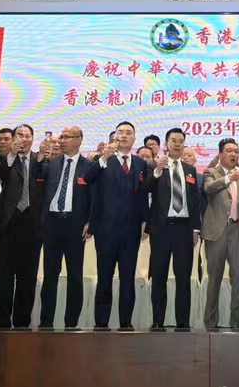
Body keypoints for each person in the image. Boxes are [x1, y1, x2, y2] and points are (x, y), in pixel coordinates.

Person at [38, 125, 99, 329]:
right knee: (50, 276)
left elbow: (94, 197)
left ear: (79, 140)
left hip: (76, 225)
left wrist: (90, 222)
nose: (62, 140)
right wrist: (40, 156)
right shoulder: (52, 163)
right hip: (52, 223)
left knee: (75, 276)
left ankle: (71, 323)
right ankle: (46, 322)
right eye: (61, 137)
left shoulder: (89, 166)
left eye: (67, 137)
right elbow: (37, 182)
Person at [92, 121, 149, 330]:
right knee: (104, 278)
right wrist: (103, 158)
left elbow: (143, 195)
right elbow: (88, 178)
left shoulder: (140, 163)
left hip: (131, 231)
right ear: (114, 136)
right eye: (120, 132)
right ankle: (101, 323)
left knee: (127, 279)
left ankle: (126, 323)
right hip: (106, 230)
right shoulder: (103, 160)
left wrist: (145, 221)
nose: (124, 136)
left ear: (134, 138)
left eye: (128, 133)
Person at [145, 127, 201, 329]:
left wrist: (196, 229)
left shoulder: (190, 170)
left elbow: (194, 202)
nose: (177, 144)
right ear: (166, 144)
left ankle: (183, 323)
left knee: (183, 279)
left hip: (184, 230)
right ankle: (157, 321)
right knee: (159, 277)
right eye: (173, 140)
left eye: (180, 141)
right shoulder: (155, 166)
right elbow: (145, 189)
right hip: (161, 229)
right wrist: (157, 172)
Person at [0, 129, 44, 329]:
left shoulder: (41, 161)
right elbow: (1, 174)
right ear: (14, 139)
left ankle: (22, 321)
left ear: (33, 139)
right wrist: (12, 154)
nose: (24, 139)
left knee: (27, 276)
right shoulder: (4, 159)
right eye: (20, 135)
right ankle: (1, 320)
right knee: (4, 275)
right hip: (8, 223)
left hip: (32, 224)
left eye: (27, 136)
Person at [203, 139, 239, 330]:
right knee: (214, 279)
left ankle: (236, 323)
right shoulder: (211, 172)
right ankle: (210, 324)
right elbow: (208, 188)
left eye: (236, 151)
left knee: (238, 281)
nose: (233, 154)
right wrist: (229, 178)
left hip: (238, 232)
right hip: (217, 232)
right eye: (229, 151)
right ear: (220, 154)